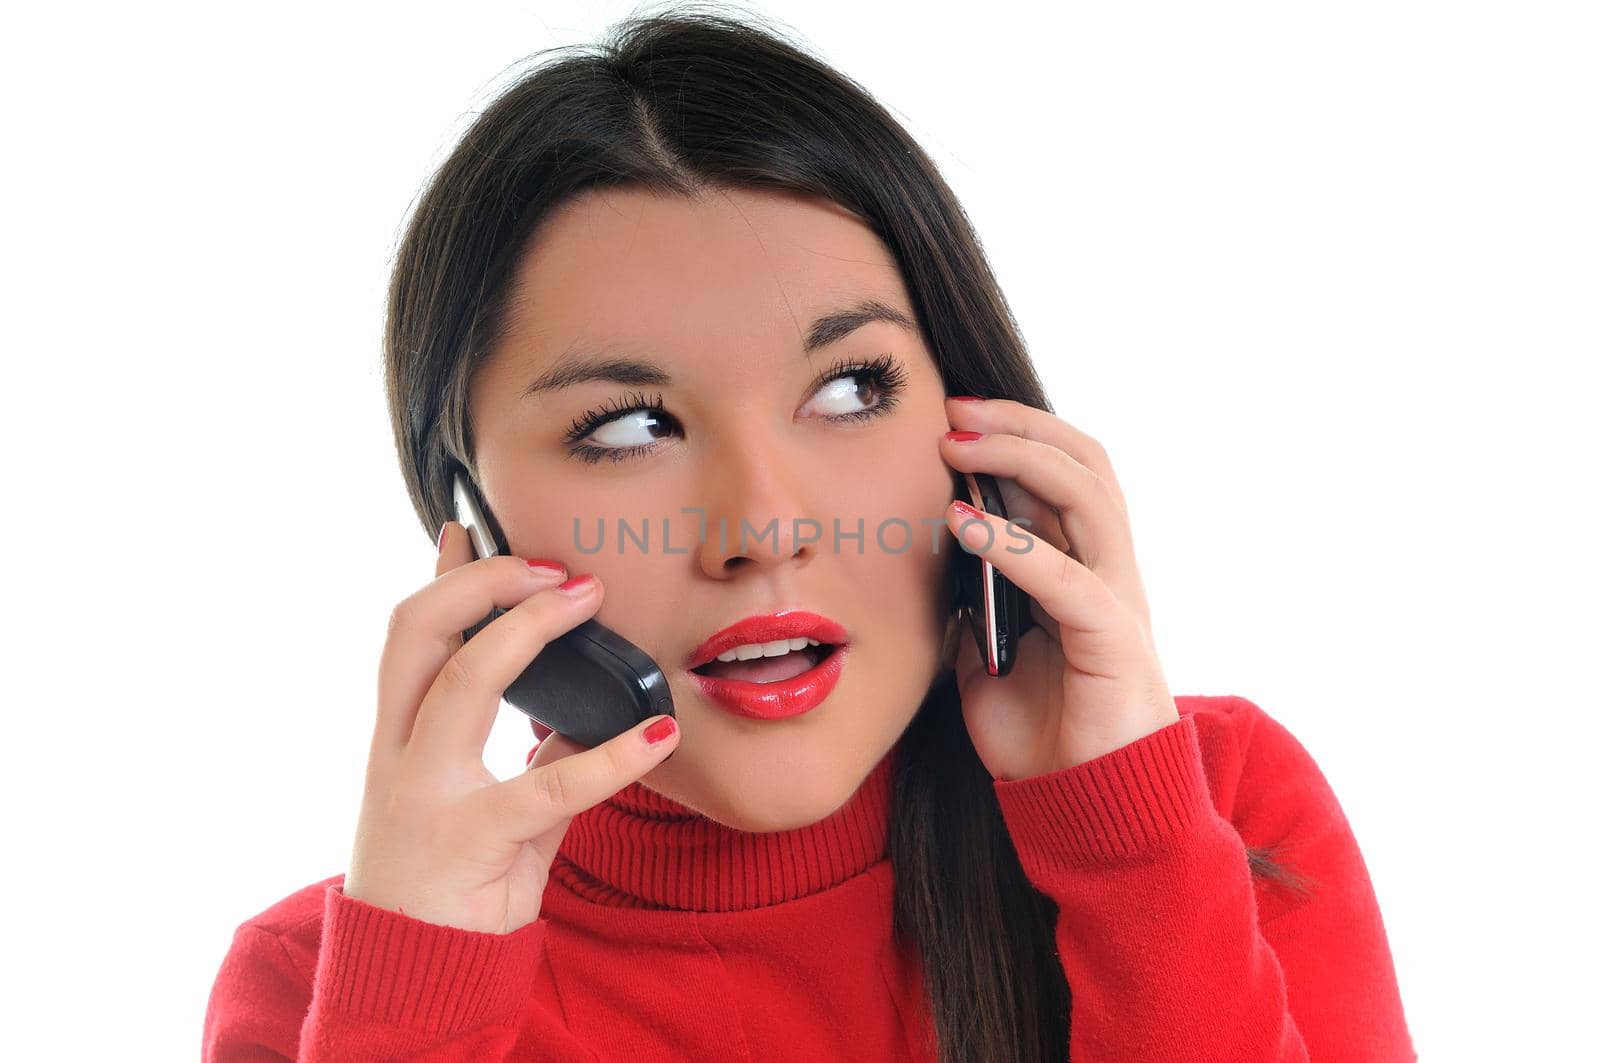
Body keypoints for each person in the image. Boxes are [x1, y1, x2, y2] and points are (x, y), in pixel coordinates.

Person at [202, 11, 1416, 1061]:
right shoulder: (326, 993)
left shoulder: (1219, 819)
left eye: (849, 391)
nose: (763, 528)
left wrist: (1130, 843)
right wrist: (417, 990)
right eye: (628, 426)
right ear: (468, 522)